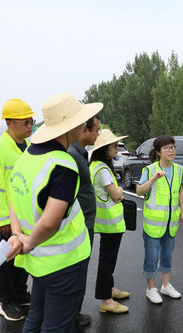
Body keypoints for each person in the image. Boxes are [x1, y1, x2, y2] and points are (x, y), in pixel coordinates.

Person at [6, 93, 99, 332]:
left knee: (35, 319)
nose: (83, 125)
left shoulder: (27, 155)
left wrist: (18, 235)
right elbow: (50, 221)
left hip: (40, 262)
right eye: (81, 120)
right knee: (57, 326)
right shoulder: (62, 165)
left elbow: (14, 199)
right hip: (64, 264)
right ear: (70, 126)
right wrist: (28, 242)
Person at [0, 98, 36, 321]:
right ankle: (7, 302)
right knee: (6, 261)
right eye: (25, 122)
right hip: (6, 220)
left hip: (25, 218)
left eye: (31, 121)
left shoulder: (30, 147)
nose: (29, 125)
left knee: (22, 257)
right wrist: (3, 219)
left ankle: (21, 294)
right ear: (9, 123)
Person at [136, 135, 183, 304]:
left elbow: (180, 191)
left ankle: (166, 285)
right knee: (151, 256)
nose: (171, 150)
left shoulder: (179, 169)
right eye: (166, 148)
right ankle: (151, 288)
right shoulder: (149, 170)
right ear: (158, 152)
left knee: (167, 255)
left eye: (172, 147)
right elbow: (139, 191)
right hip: (153, 223)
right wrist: (153, 179)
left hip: (171, 222)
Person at [89, 129, 130, 314]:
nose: (117, 148)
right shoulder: (103, 169)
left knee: (107, 260)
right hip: (111, 223)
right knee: (107, 261)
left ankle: (109, 290)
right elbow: (115, 195)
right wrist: (120, 190)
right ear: (104, 149)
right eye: (114, 146)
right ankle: (106, 300)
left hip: (104, 222)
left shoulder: (94, 165)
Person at [67, 114, 100, 329]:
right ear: (84, 131)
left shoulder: (80, 153)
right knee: (77, 275)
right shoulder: (73, 156)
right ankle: (72, 318)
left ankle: (72, 315)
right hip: (80, 225)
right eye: (96, 128)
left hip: (85, 222)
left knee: (79, 273)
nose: (99, 132)